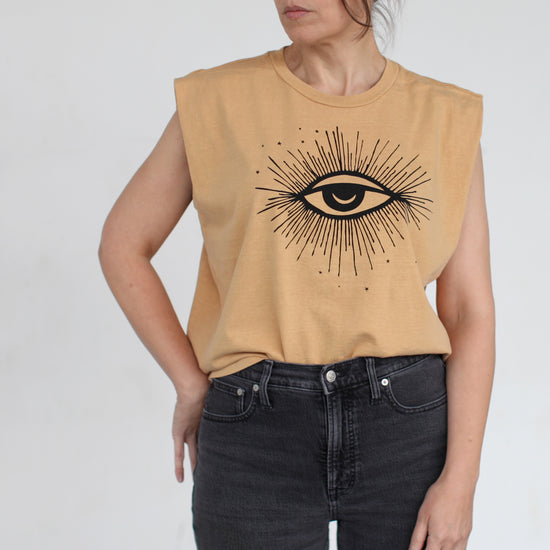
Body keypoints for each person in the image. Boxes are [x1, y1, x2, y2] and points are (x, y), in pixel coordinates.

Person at [98, 1, 495, 548]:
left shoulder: (445, 117)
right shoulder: (217, 101)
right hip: (253, 429)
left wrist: (462, 480)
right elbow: (123, 244)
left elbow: (467, 311)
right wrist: (188, 380)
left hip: (405, 430)